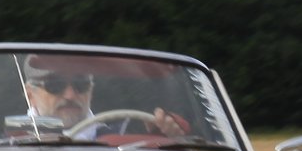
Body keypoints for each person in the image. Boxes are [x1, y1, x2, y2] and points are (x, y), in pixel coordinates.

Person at [21, 56, 187, 139]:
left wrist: (167, 136)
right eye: (55, 85)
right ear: (30, 95)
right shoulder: (10, 143)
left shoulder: (125, 138)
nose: (70, 95)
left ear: (91, 91)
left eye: (81, 84)